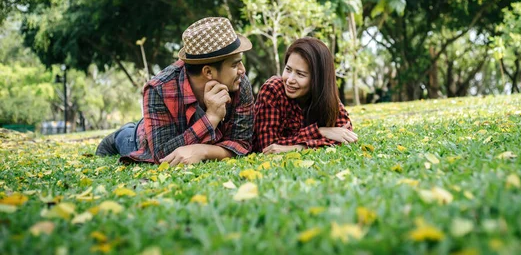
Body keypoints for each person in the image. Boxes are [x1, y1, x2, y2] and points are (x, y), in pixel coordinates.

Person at [95, 17, 254, 166]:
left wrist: (203, 151)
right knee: (127, 136)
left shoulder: (239, 82)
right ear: (208, 72)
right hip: (139, 139)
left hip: (171, 130)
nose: (242, 70)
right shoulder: (158, 89)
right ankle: (119, 135)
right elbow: (161, 155)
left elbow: (242, 144)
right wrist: (211, 118)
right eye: (235, 65)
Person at [253, 37, 358, 154]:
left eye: (300, 74)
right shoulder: (272, 90)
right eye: (288, 69)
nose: (290, 80)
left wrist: (296, 147)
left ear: (317, 80)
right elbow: (268, 147)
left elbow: (346, 135)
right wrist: (320, 131)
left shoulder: (326, 96)